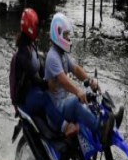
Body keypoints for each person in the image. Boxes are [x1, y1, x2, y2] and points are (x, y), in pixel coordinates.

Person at [44, 12, 115, 160]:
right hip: (57, 107)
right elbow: (64, 80)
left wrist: (90, 81)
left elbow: (75, 69)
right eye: (66, 35)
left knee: (89, 105)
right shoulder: (52, 57)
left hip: (64, 102)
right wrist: (78, 91)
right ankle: (101, 129)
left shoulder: (62, 54)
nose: (68, 38)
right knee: (77, 103)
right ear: (58, 34)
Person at [10, 8, 79, 140]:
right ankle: (65, 127)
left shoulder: (32, 45)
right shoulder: (22, 54)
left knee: (54, 95)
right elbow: (34, 77)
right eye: (36, 25)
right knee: (46, 99)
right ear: (30, 27)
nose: (38, 29)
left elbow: (41, 67)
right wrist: (47, 84)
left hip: (32, 90)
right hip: (25, 97)